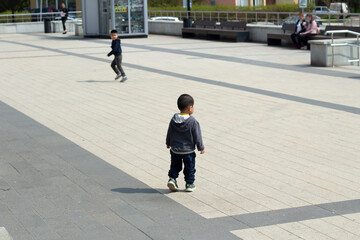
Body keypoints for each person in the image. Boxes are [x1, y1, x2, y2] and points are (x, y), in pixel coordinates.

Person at [166, 94, 205, 192]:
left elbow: (170, 131)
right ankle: (189, 183)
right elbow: (197, 136)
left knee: (175, 166)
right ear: (190, 108)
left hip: (175, 150)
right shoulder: (192, 121)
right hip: (188, 151)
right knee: (189, 167)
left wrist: (168, 142)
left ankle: (172, 179)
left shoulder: (174, 119)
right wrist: (201, 147)